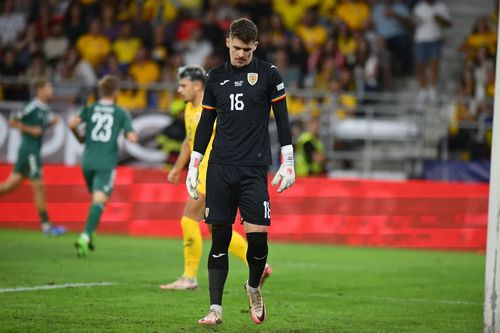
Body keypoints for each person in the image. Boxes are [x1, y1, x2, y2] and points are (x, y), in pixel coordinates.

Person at [186, 18, 295, 325]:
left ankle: (253, 286)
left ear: (255, 46)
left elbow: (283, 119)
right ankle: (215, 309)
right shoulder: (214, 77)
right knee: (219, 239)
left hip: (253, 169)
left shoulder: (269, 74)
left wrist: (288, 161)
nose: (241, 54)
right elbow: (206, 124)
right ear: (228, 43)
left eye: (247, 49)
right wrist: (194, 165)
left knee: (258, 241)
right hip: (220, 168)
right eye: (236, 48)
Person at [160, 66, 271, 290]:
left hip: (213, 171)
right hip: (201, 172)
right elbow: (189, 141)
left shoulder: (211, 108)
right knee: (215, 230)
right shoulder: (190, 110)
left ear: (198, 85)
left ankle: (189, 278)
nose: (179, 90)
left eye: (183, 85)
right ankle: (261, 265)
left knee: (189, 218)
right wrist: (177, 167)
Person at [69, 75, 138, 257]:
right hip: (105, 163)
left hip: (87, 161)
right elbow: (132, 137)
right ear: (116, 92)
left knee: (97, 200)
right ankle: (85, 236)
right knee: (99, 201)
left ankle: (90, 235)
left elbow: (72, 123)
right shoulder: (121, 112)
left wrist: (79, 136)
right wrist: (127, 134)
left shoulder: (89, 108)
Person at [0, 79, 66, 236]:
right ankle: (46, 225)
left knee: (9, 186)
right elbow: (13, 121)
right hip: (29, 151)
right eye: (49, 87)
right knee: (39, 187)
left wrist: (49, 124)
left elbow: (41, 126)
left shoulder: (44, 108)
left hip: (32, 151)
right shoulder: (32, 105)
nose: (52, 90)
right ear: (40, 88)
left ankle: (46, 225)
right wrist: (30, 130)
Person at [413, 0, 452, 105]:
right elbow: (412, 23)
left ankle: (433, 91)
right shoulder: (418, 7)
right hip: (420, 39)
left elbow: (449, 24)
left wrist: (439, 19)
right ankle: (422, 91)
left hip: (436, 39)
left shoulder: (442, 7)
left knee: (435, 66)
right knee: (421, 66)